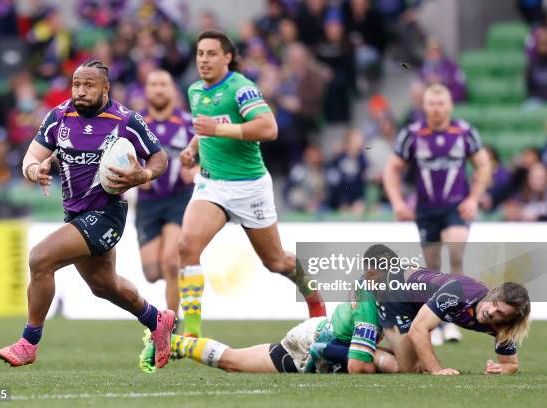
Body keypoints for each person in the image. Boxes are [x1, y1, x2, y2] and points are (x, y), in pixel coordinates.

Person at [0, 60, 175, 368]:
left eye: (88, 85)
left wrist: (143, 176)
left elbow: (159, 157)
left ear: (106, 88)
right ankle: (157, 320)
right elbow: (32, 155)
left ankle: (29, 342)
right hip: (76, 216)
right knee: (105, 286)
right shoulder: (59, 116)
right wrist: (33, 170)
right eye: (76, 84)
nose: (80, 91)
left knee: (40, 258)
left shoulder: (125, 120)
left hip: (107, 214)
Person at [177, 30, 326, 337]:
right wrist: (193, 147)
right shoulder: (195, 90)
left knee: (276, 261)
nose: (204, 60)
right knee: (187, 246)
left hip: (249, 186)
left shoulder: (241, 88)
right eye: (200, 53)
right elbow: (207, 127)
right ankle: (191, 331)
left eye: (211, 54)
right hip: (212, 184)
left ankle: (314, 298)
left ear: (227, 57)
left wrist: (217, 132)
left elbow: (268, 128)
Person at [383, 84, 491, 344]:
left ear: (450, 106)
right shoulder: (412, 134)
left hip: (456, 207)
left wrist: (474, 198)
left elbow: (483, 164)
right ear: (424, 106)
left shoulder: (464, 132)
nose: (436, 108)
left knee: (455, 253)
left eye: (441, 103)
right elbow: (392, 168)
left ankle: (456, 318)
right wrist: (397, 202)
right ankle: (437, 321)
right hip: (426, 210)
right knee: (432, 267)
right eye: (432, 103)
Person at [362, 244, 531, 375]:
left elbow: (511, 364)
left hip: (420, 299)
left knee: (417, 362)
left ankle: (386, 349)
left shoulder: (505, 326)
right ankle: (351, 349)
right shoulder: (458, 293)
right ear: (492, 293)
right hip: (397, 291)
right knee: (411, 368)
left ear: (508, 319)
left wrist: (501, 369)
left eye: (500, 314)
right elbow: (419, 329)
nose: (491, 312)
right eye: (494, 304)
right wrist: (437, 369)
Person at [139, 291, 397, 375]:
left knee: (232, 361)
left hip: (314, 331)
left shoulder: (387, 299)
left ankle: (172, 342)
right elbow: (358, 367)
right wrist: (385, 361)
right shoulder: (371, 305)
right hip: (310, 341)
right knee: (233, 361)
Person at [136, 69, 195, 315]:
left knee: (172, 263)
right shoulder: (136, 123)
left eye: (164, 84)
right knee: (152, 273)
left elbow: (211, 154)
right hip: (148, 202)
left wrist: (198, 169)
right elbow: (117, 156)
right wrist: (135, 174)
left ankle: (170, 323)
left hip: (179, 199)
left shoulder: (188, 123)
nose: (159, 89)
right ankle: (182, 278)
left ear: (172, 90)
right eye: (153, 84)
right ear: (146, 90)